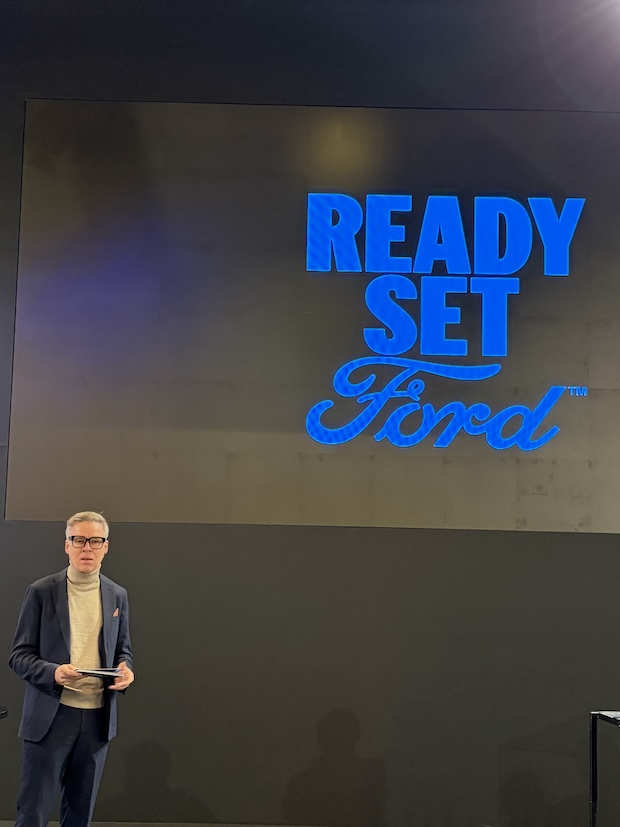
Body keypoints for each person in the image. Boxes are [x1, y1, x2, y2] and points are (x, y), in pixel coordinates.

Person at [9, 511, 134, 827]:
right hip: (50, 718)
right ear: (67, 545)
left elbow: (123, 651)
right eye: (79, 540)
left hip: (96, 721)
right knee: (33, 815)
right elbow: (19, 656)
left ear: (106, 547)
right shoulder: (41, 591)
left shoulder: (117, 595)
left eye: (95, 541)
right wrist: (53, 672)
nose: (87, 548)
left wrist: (126, 669)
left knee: (79, 817)